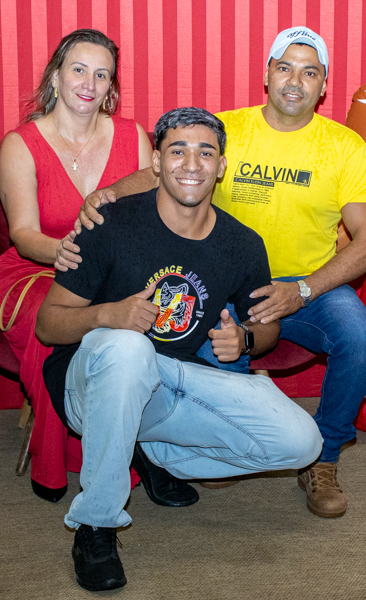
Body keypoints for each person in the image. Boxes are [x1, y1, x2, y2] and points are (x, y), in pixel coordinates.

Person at [69, 27, 366, 518]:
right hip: (225, 282)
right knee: (220, 359)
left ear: (324, 85)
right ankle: (198, 441)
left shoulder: (344, 146)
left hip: (309, 285)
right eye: (285, 68)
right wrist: (103, 197)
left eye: (309, 72)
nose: (295, 81)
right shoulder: (227, 130)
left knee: (361, 337)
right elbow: (167, 170)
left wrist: (303, 291)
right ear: (267, 75)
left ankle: (323, 458)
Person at [36, 107, 323, 592]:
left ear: (221, 166)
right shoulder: (110, 224)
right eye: (178, 151)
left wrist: (245, 340)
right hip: (90, 383)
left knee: (302, 443)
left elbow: (267, 328)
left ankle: (150, 451)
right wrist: (108, 315)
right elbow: (48, 325)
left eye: (205, 152)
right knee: (129, 349)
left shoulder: (242, 244)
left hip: (170, 381)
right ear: (156, 161)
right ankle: (96, 525)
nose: (192, 164)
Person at [0, 29, 153, 502]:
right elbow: (22, 234)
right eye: (79, 70)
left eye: (102, 75)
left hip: (109, 273)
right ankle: (54, 463)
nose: (89, 84)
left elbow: (147, 214)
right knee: (54, 327)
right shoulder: (21, 144)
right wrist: (62, 253)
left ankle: (142, 449)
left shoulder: (133, 137)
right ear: (56, 76)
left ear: (111, 87)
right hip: (35, 269)